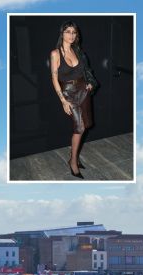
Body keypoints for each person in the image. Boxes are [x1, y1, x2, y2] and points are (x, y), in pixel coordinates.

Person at [50, 20, 97, 179]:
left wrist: (89, 83)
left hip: (83, 91)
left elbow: (85, 71)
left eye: (74, 32)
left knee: (86, 124)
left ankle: (74, 157)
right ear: (62, 33)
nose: (71, 35)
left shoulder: (78, 51)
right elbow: (54, 78)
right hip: (69, 94)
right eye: (68, 31)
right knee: (79, 128)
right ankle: (72, 162)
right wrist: (63, 100)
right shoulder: (56, 53)